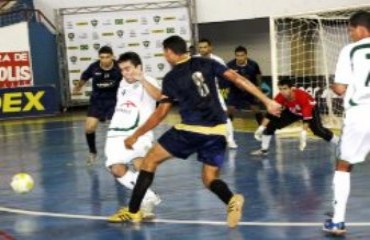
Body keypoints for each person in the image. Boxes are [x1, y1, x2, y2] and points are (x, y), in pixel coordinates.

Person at [108, 35, 281, 228]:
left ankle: (133, 211)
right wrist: (267, 101)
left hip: (190, 130)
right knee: (209, 179)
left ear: (169, 52)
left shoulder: (172, 77)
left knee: (149, 161)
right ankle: (231, 200)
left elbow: (161, 113)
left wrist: (135, 135)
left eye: (164, 54)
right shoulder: (207, 62)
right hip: (218, 131)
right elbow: (237, 79)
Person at [322, 11, 370, 236]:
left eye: (351, 30)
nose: (350, 35)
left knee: (343, 165)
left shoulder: (351, 50)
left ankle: (338, 221)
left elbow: (341, 88)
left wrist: (335, 87)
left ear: (361, 29)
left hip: (360, 114)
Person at [105, 52, 162, 221]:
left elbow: (159, 97)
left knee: (140, 165)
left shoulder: (148, 80)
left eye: (128, 68)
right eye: (122, 69)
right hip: (116, 132)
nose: (125, 73)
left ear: (139, 67)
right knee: (116, 169)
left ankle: (142, 203)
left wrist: (142, 79)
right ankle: (149, 196)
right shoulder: (122, 83)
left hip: (139, 132)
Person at [251, 78, 339, 156]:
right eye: (280, 89)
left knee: (319, 131)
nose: (282, 91)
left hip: (311, 109)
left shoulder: (302, 97)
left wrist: (303, 134)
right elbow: (271, 112)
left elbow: (306, 118)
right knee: (271, 124)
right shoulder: (280, 96)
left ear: (292, 88)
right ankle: (264, 150)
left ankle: (340, 143)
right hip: (293, 110)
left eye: (285, 89)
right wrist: (261, 127)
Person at [73, 46, 122, 165]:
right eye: (102, 57)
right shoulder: (94, 67)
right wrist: (78, 87)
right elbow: (84, 78)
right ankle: (93, 152)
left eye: (107, 57)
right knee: (89, 128)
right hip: (97, 100)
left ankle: (118, 155)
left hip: (114, 101)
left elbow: (130, 77)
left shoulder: (119, 67)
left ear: (112, 57)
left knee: (115, 129)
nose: (104, 60)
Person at [195, 38, 238, 149]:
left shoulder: (217, 60)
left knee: (224, 115)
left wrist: (226, 92)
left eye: (205, 47)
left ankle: (230, 140)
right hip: (198, 93)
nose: (202, 50)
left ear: (210, 48)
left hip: (215, 91)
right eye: (200, 47)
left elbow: (226, 76)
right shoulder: (194, 60)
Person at [227, 46, 264, 125]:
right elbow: (226, 77)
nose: (240, 58)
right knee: (230, 108)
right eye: (237, 55)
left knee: (256, 108)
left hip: (250, 89)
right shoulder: (230, 65)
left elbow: (258, 76)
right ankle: (227, 128)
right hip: (235, 90)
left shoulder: (253, 64)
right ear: (235, 56)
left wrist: (259, 88)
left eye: (242, 55)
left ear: (246, 55)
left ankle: (262, 128)